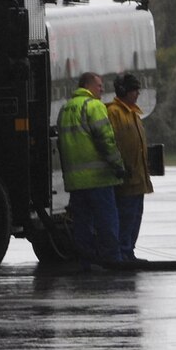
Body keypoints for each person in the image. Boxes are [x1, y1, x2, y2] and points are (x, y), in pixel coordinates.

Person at [58, 71, 128, 268]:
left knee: (81, 224)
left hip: (75, 182)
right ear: (88, 86)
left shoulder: (65, 110)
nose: (102, 89)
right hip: (99, 179)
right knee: (107, 221)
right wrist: (118, 166)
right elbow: (106, 140)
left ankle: (86, 262)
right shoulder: (93, 106)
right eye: (99, 86)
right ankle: (112, 260)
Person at [106, 72, 154, 262]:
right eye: (134, 90)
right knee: (125, 216)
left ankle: (129, 251)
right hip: (126, 177)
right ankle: (122, 252)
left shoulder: (134, 113)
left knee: (135, 217)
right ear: (124, 91)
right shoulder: (114, 113)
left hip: (139, 177)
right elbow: (112, 143)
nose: (137, 94)